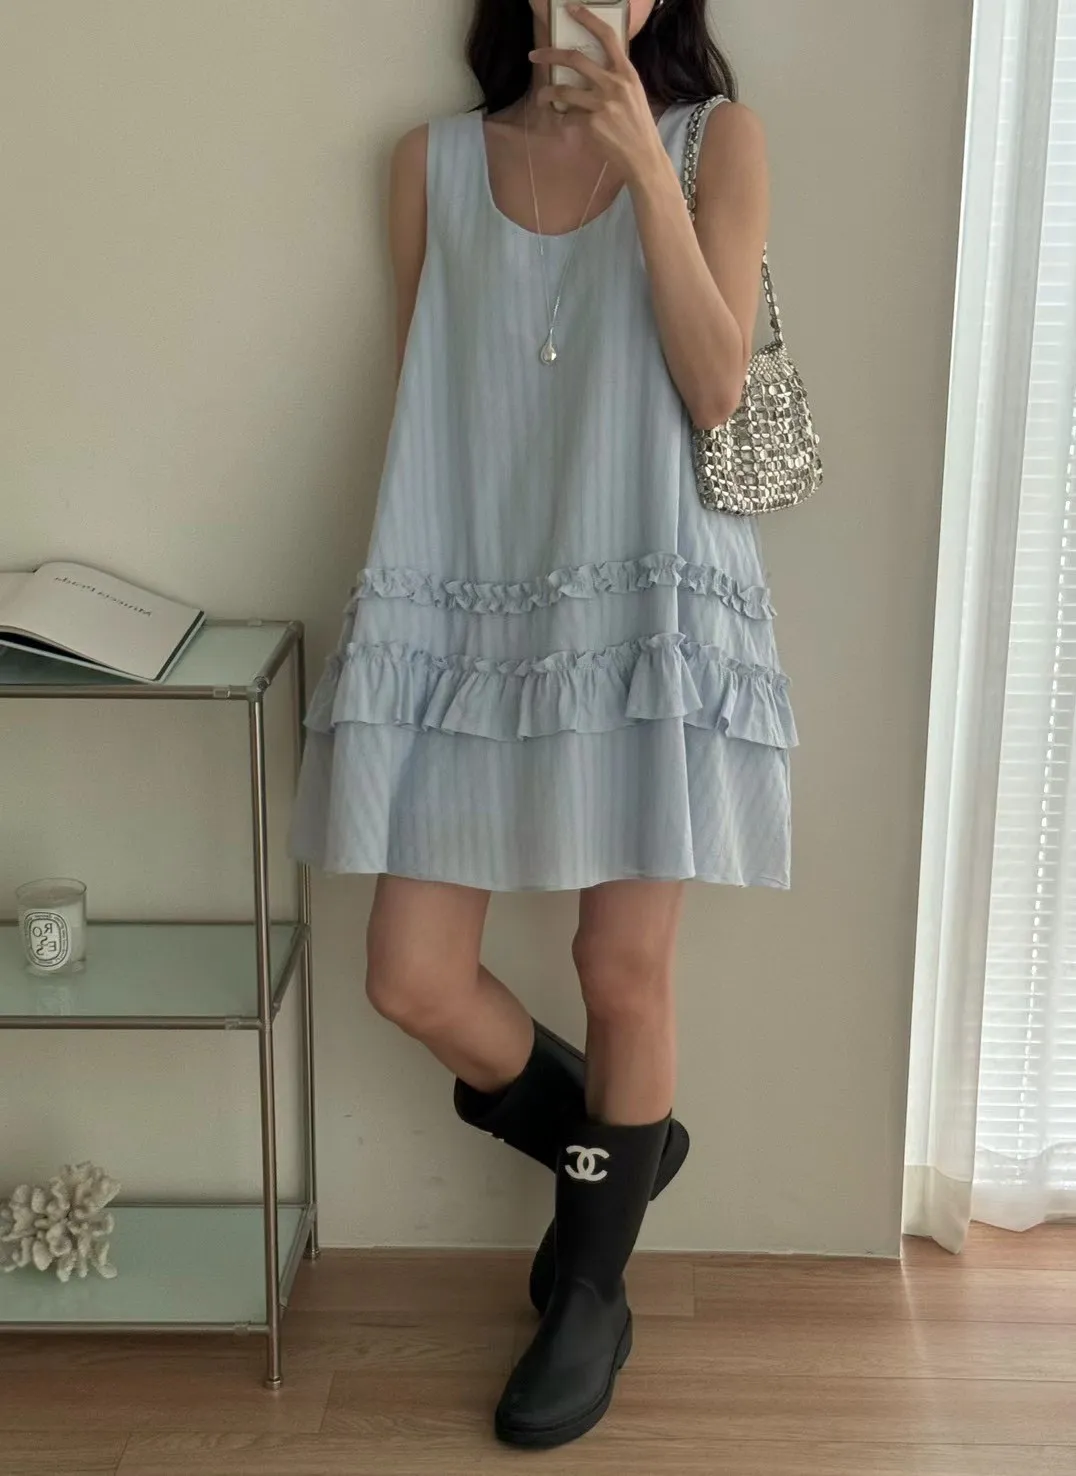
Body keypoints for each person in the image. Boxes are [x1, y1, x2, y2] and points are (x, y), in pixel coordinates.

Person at [291, 0, 796, 1449]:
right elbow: (433, 403)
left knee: (620, 967)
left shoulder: (717, 143)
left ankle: (591, 1291)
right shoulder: (429, 164)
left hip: (645, 600)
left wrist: (643, 164)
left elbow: (719, 388)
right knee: (410, 975)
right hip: (467, 606)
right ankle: (615, 1155)